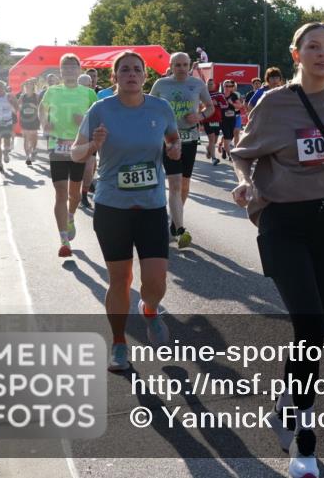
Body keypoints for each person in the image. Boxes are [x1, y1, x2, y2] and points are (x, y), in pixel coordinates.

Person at [230, 23, 324, 477]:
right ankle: (304, 436)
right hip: (283, 223)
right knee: (310, 323)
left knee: (312, 331)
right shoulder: (274, 103)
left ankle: (289, 404)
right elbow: (243, 153)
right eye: (313, 47)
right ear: (296, 54)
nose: (323, 54)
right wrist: (243, 183)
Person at [70, 50, 180, 373]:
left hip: (151, 207)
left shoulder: (161, 108)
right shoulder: (100, 109)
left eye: (137, 70)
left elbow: (173, 141)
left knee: (155, 281)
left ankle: (150, 309)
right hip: (113, 208)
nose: (131, 74)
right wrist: (92, 146)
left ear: (145, 77)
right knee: (120, 279)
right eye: (125, 70)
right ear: (115, 77)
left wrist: (174, 149)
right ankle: (119, 343)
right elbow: (76, 152)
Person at [149, 51, 214, 249]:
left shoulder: (197, 84)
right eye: (177, 65)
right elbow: (150, 107)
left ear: (190, 66)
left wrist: (200, 117)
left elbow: (210, 107)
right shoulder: (161, 85)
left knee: (184, 186)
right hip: (169, 138)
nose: (182, 69)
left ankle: (174, 220)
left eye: (185, 65)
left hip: (190, 138)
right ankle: (179, 229)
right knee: (175, 184)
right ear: (170, 66)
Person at [39, 54, 98, 257]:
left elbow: (98, 117)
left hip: (78, 147)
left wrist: (84, 120)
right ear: (61, 71)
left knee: (74, 193)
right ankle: (64, 240)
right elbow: (41, 109)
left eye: (74, 67)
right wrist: (44, 123)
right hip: (56, 145)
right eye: (66, 67)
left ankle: (71, 215)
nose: (70, 70)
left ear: (79, 70)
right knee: (60, 193)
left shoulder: (89, 93)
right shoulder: (52, 91)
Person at [77, 73, 98, 209]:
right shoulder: (70, 95)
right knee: (82, 166)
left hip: (89, 134)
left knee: (91, 165)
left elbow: (97, 112)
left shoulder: (91, 94)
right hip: (73, 136)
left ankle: (84, 192)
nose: (88, 88)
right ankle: (80, 193)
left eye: (89, 85)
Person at [0, 80, 18, 173]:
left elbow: (17, 109)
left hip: (7, 123)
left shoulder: (9, 96)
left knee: (7, 142)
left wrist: (12, 104)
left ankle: (6, 153)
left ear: (4, 87)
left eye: (1, 86)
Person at [18, 80, 41, 166]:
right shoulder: (22, 97)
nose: (28, 86)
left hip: (34, 119)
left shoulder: (37, 96)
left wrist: (34, 106)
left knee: (33, 136)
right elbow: (18, 106)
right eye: (26, 85)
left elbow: (41, 107)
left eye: (29, 84)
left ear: (32, 86)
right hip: (25, 119)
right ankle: (28, 156)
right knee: (26, 138)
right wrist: (22, 107)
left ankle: (33, 150)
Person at [203, 78, 223, 165]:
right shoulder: (203, 94)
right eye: (208, 84)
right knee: (211, 139)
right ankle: (214, 158)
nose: (210, 85)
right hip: (207, 119)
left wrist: (217, 103)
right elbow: (199, 106)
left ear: (215, 85)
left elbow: (225, 105)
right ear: (206, 85)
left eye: (211, 84)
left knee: (214, 141)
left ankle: (209, 149)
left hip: (217, 120)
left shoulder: (219, 95)